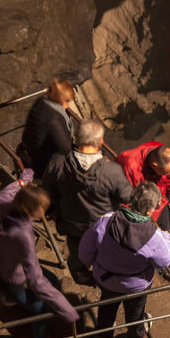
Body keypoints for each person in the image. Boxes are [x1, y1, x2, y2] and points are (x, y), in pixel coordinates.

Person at [79, 182, 170, 338]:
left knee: (107, 306)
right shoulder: (154, 236)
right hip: (135, 285)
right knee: (135, 312)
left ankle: (103, 336)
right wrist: (166, 238)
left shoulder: (106, 220)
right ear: (150, 210)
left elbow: (85, 251)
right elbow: (164, 262)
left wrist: (93, 264)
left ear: (131, 199)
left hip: (106, 278)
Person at [0, 180, 80, 338]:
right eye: (42, 208)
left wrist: (23, 179)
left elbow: (4, 194)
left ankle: (10, 297)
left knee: (53, 279)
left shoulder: (7, 207)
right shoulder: (24, 235)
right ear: (32, 209)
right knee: (39, 309)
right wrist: (66, 309)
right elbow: (35, 280)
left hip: (0, 265)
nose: (43, 211)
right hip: (15, 278)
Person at [43, 118, 133, 283]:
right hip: (103, 226)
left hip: (72, 222)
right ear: (100, 142)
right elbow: (128, 197)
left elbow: (48, 191)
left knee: (77, 251)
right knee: (105, 252)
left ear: (75, 137)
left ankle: (80, 276)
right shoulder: (111, 171)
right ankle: (104, 276)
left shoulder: (57, 163)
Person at [17, 78, 75, 178]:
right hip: (37, 165)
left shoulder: (41, 102)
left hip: (25, 152)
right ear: (59, 99)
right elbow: (65, 149)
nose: (67, 106)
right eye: (66, 101)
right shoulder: (54, 118)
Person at [116, 141, 170, 230]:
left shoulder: (164, 154)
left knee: (164, 230)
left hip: (159, 195)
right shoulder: (132, 165)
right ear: (155, 166)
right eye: (167, 172)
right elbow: (139, 195)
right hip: (141, 199)